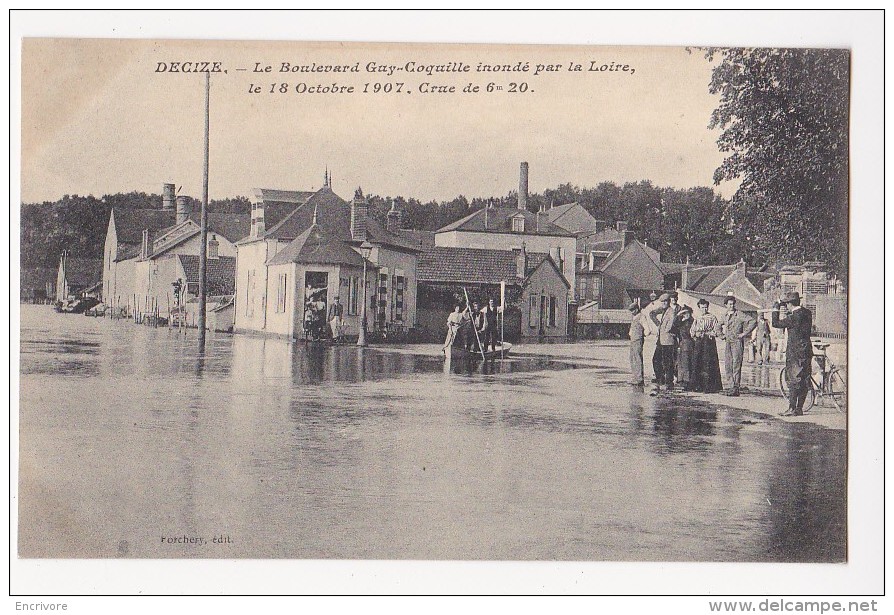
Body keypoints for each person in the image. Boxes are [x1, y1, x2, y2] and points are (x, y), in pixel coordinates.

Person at [772, 291, 813, 416]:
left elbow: (775, 323)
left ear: (790, 304)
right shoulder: (807, 313)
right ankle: (799, 408)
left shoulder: (793, 317)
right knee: (805, 380)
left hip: (795, 352)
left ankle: (791, 408)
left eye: (786, 304)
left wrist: (776, 308)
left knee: (793, 380)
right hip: (806, 350)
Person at [720, 295, 756, 396]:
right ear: (725, 305)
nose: (731, 306)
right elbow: (718, 326)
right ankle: (730, 385)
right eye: (729, 304)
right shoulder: (724, 315)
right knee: (728, 364)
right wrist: (721, 335)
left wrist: (744, 334)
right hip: (728, 342)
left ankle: (736, 387)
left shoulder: (739, 314)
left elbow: (753, 321)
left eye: (733, 304)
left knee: (736, 364)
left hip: (737, 342)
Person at [648, 292, 679, 394]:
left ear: (669, 302)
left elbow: (670, 325)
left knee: (668, 362)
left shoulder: (671, 311)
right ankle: (660, 379)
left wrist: (664, 330)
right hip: (661, 340)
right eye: (662, 302)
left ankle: (668, 382)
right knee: (656, 360)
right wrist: (659, 326)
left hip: (668, 340)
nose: (664, 303)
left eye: (665, 301)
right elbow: (652, 314)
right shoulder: (664, 310)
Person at [690, 298, 723, 393]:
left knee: (708, 363)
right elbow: (692, 330)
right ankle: (697, 386)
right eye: (702, 307)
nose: (704, 309)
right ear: (699, 308)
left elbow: (717, 330)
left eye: (705, 307)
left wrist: (709, 333)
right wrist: (695, 334)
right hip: (699, 341)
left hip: (708, 342)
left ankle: (709, 386)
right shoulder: (697, 317)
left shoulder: (712, 317)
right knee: (697, 362)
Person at [674, 305, 695, 391]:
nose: (685, 315)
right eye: (684, 313)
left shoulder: (690, 322)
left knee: (686, 363)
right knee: (681, 363)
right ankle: (681, 380)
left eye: (687, 313)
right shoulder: (683, 321)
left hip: (687, 343)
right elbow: (674, 325)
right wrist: (679, 315)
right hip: (682, 343)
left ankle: (686, 382)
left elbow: (687, 333)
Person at [628, 301, 645, 386]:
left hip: (638, 339)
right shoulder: (635, 317)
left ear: (637, 309)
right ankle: (635, 377)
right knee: (632, 358)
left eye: (632, 310)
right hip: (633, 340)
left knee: (637, 358)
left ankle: (639, 378)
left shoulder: (641, 317)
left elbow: (647, 328)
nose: (631, 312)